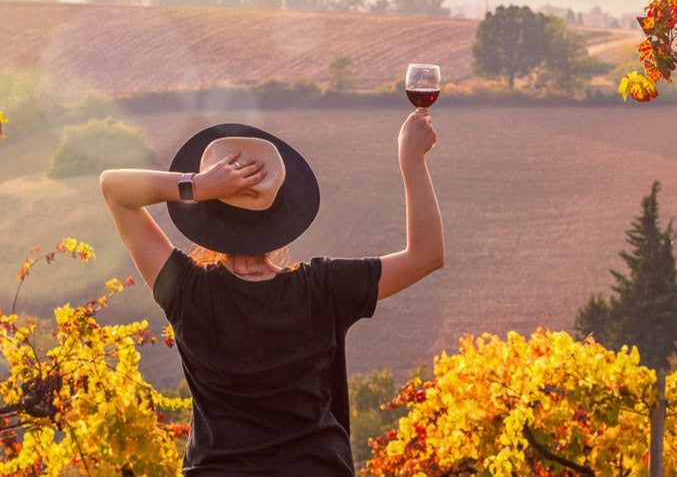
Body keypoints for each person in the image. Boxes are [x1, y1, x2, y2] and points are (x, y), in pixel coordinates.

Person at [99, 107, 444, 476]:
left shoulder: (186, 289)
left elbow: (113, 188)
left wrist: (199, 185)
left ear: (206, 217)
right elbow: (425, 255)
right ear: (283, 209)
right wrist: (412, 159)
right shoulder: (323, 288)